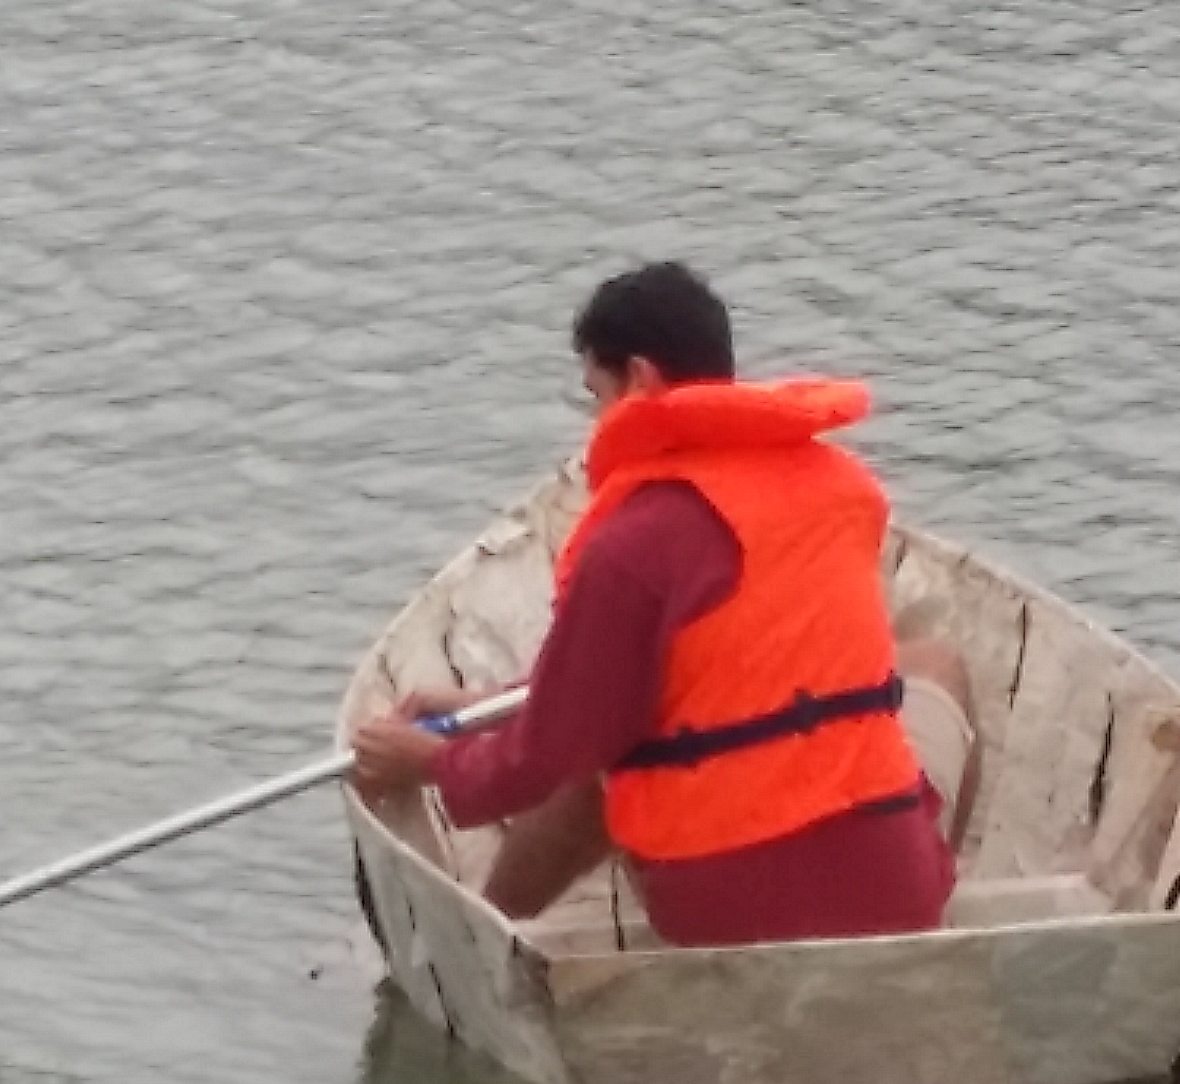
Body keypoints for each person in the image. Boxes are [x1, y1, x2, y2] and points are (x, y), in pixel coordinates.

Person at [349, 263, 979, 947]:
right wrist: (485, 708)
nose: (596, 421)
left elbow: (559, 747)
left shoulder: (635, 541)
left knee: (605, 761)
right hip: (895, 894)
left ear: (640, 379)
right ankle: (938, 901)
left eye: (597, 393)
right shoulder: (841, 490)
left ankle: (482, 937)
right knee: (937, 665)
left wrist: (432, 762)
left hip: (726, 914)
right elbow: (722, 673)